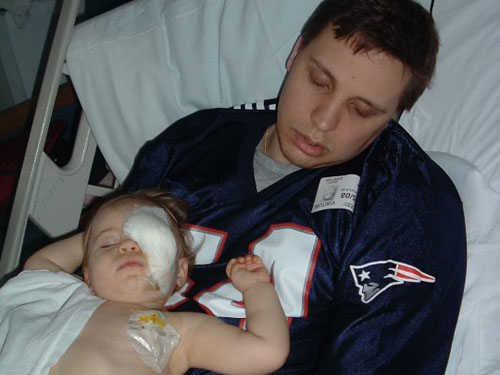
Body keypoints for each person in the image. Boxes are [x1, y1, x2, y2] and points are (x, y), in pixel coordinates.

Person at [19, 0, 467, 373]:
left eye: (362, 109)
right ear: (295, 53)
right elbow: (95, 273)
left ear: (394, 116)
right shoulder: (193, 142)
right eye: (318, 81)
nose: (323, 121)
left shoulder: (408, 209)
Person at [0, 190, 289, 375]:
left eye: (148, 239)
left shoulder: (177, 332)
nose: (126, 245)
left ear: (179, 274)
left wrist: (256, 289)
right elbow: (40, 265)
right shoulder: (64, 296)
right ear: (87, 273)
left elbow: (265, 351)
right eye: (108, 243)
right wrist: (100, 225)